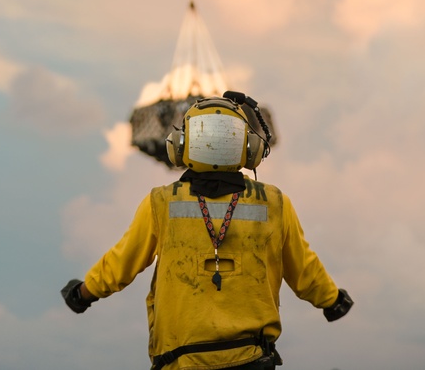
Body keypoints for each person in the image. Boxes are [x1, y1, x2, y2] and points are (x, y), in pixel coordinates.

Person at [61, 92, 353, 370]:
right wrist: (333, 301)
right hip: (252, 357)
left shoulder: (162, 202)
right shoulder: (274, 203)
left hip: (181, 359)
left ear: (179, 145)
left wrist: (84, 293)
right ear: (249, 148)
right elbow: (304, 269)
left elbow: (121, 263)